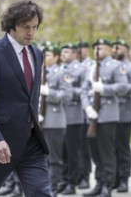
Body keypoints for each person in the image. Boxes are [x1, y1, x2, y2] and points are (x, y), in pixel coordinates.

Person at [0, 0, 51, 197]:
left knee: (41, 192)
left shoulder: (37, 54)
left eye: (35, 27)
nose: (31, 33)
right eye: (26, 27)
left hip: (31, 142)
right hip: (0, 142)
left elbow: (29, 97)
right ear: (12, 25)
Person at [81, 38, 128, 197]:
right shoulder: (91, 67)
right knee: (95, 152)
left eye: (100, 48)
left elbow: (123, 87)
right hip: (91, 116)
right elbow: (83, 90)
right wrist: (87, 107)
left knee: (107, 153)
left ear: (108, 50)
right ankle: (99, 183)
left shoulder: (115, 66)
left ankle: (108, 185)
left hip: (107, 116)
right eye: (95, 48)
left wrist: (104, 88)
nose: (97, 51)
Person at [40, 42, 72, 197]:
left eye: (48, 55)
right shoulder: (39, 72)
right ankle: (43, 186)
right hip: (39, 120)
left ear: (57, 57)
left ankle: (53, 187)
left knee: (54, 158)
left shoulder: (61, 73)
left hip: (54, 120)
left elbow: (67, 96)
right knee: (41, 158)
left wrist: (49, 93)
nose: (45, 58)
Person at [111, 39, 131, 192]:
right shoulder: (111, 66)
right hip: (110, 113)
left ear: (126, 50)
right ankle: (114, 178)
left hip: (124, 112)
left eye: (118, 48)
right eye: (113, 48)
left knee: (122, 148)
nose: (115, 50)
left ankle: (124, 179)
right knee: (111, 148)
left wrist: (119, 88)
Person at [58, 42, 87, 195]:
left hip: (74, 114)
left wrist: (67, 90)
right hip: (60, 115)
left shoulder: (82, 69)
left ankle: (72, 181)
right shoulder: (60, 69)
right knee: (62, 151)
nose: (64, 54)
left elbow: (84, 90)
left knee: (73, 151)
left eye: (67, 51)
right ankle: (63, 179)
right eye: (63, 51)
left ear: (75, 54)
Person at [77, 41, 93, 189]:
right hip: (74, 114)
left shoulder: (91, 66)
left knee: (84, 148)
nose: (79, 52)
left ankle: (85, 176)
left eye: (81, 49)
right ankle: (78, 175)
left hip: (85, 114)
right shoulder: (75, 66)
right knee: (76, 148)